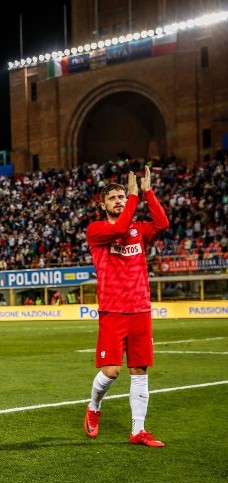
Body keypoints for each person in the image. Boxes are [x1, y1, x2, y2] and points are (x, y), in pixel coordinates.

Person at [84, 165, 169, 448]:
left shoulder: (138, 230)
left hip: (140, 309)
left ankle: (138, 431)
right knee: (111, 371)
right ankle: (94, 406)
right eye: (114, 198)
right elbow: (119, 228)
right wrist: (134, 196)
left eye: (122, 196)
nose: (119, 201)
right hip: (113, 310)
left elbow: (162, 224)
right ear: (103, 204)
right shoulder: (96, 231)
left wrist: (148, 192)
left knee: (140, 372)